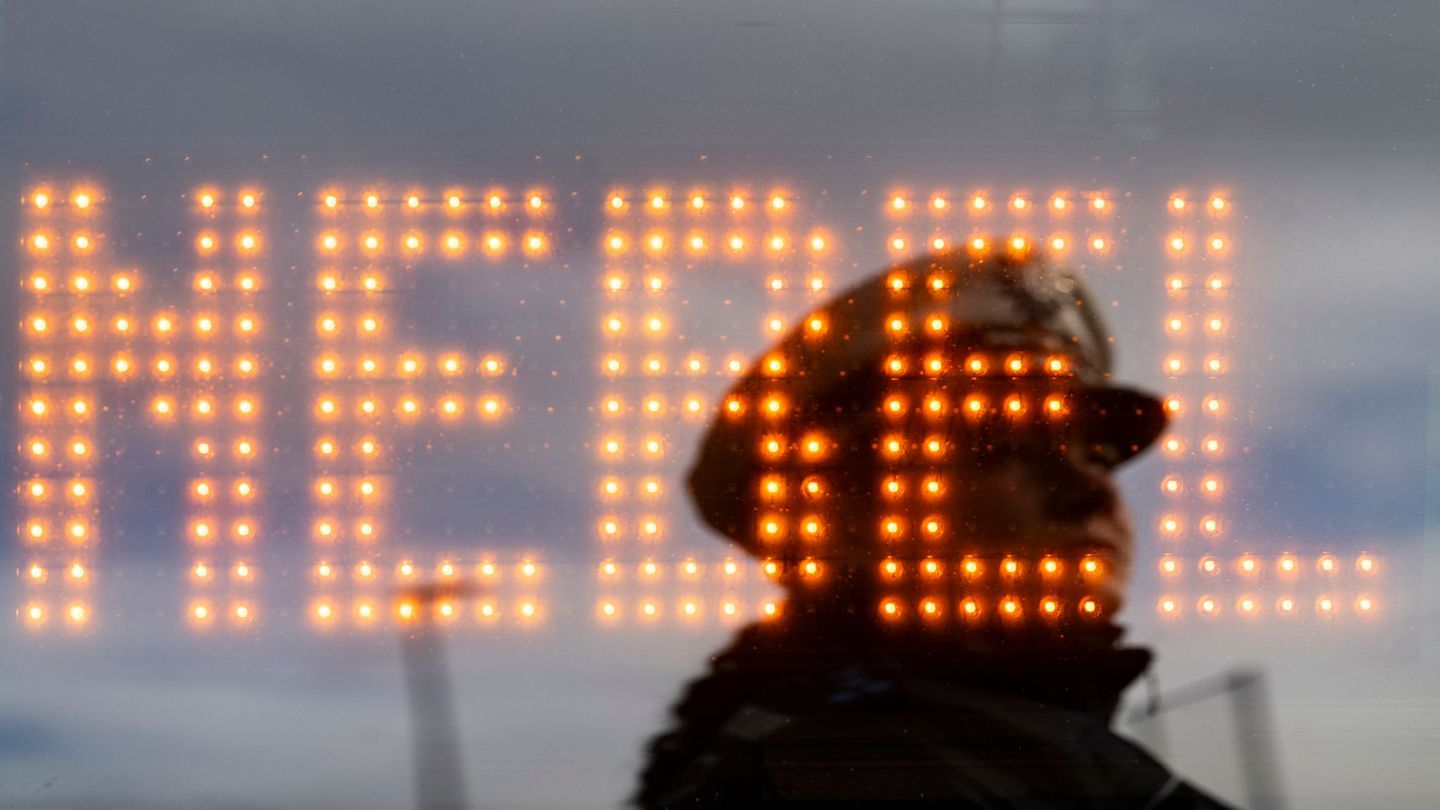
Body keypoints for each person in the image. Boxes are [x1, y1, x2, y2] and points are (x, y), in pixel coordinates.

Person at [633, 250, 1234, 808]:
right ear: (837, 517)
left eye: (1097, 454)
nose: (1091, 489)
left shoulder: (1027, 761)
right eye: (1000, 446)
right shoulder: (872, 776)